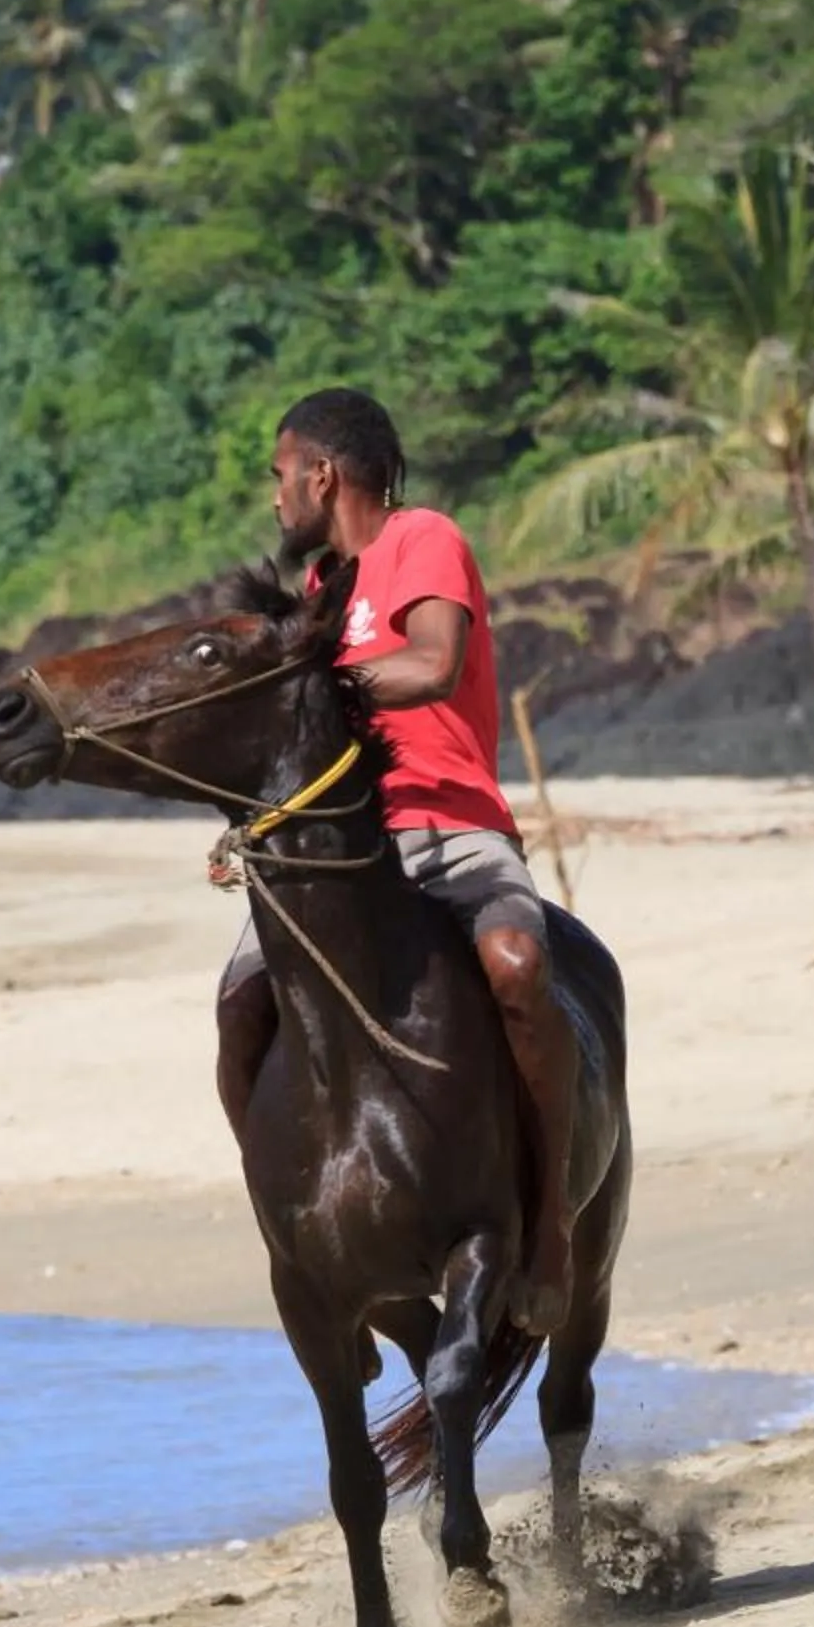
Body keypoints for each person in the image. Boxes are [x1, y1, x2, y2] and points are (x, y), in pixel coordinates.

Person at [214, 387, 578, 1335]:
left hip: (453, 827)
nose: (275, 497)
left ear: (322, 473)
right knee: (240, 1008)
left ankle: (548, 1234)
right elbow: (303, 752)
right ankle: (302, 1239)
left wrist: (309, 679)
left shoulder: (422, 540)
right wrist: (255, 828)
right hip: (343, 848)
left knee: (519, 968)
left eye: (279, 475)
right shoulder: (318, 591)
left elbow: (433, 663)